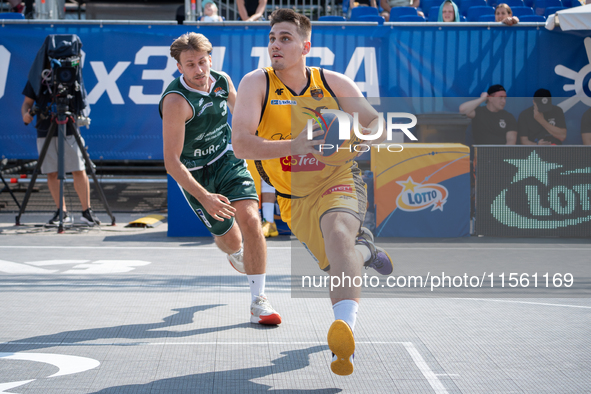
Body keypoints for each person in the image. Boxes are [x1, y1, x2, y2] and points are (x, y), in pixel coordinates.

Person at [231, 9, 394, 376]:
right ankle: (366, 249)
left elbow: (376, 122)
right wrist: (297, 145)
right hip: (294, 200)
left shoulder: (333, 82)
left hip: (338, 178)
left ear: (306, 46)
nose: (275, 44)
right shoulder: (256, 83)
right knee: (337, 262)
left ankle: (345, 333)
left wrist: (363, 136)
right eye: (272, 38)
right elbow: (241, 144)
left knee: (338, 235)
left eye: (285, 38)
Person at [159, 32, 281, 325]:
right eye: (190, 65)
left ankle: (259, 302)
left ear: (210, 59)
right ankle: (236, 252)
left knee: (252, 220)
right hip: (195, 174)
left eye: (202, 62)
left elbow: (244, 121)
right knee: (229, 238)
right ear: (179, 68)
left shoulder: (223, 81)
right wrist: (205, 196)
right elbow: (171, 162)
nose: (199, 70)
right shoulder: (176, 102)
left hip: (227, 159)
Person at [21, 84, 101, 226]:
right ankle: (61, 212)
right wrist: (25, 115)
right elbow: (27, 102)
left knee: (78, 169)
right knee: (51, 172)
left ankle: (87, 211)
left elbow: (81, 99)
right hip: (44, 127)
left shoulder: (71, 70)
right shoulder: (38, 74)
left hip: (69, 127)